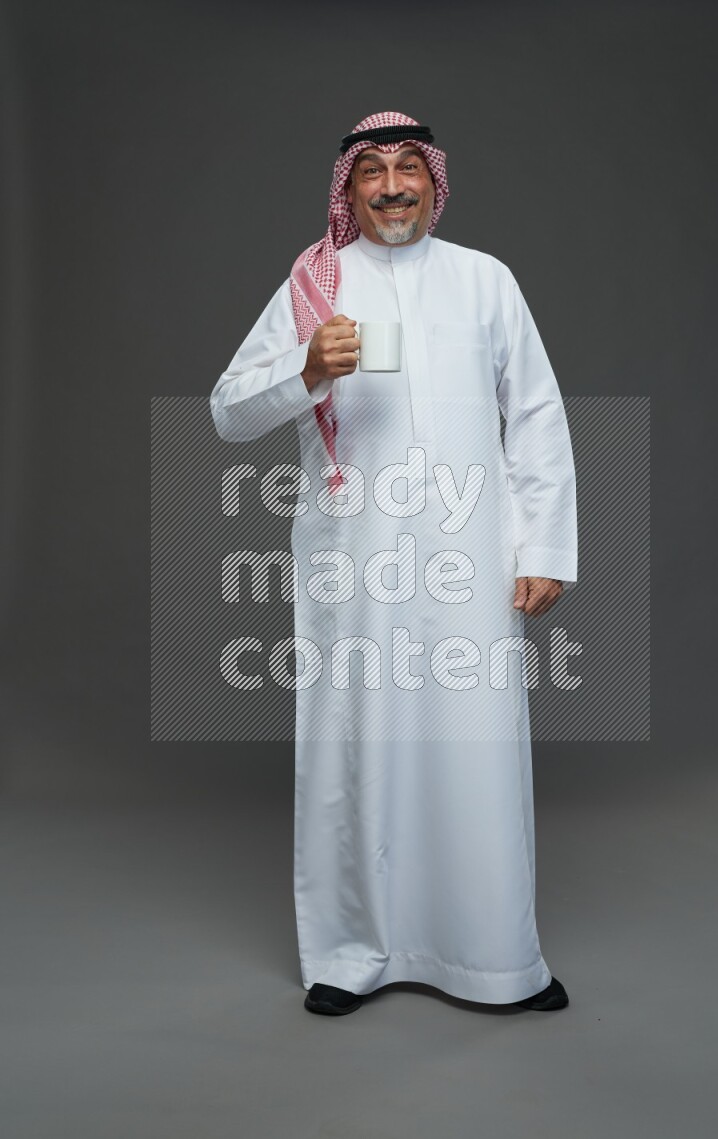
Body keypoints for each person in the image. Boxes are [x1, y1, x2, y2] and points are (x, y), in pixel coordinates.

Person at [210, 111, 578, 1017]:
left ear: (434, 180)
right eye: (371, 171)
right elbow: (227, 412)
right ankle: (349, 955)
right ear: (349, 188)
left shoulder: (485, 281)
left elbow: (535, 414)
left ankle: (495, 959)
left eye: (407, 167)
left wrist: (544, 547)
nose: (391, 187)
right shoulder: (316, 286)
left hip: (470, 557)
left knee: (477, 746)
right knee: (355, 744)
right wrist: (305, 367)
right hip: (355, 561)